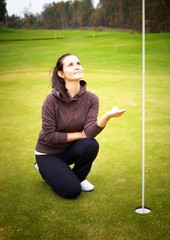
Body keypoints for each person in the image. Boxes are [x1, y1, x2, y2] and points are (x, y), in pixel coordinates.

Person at [34, 53, 126, 199]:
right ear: (61, 73)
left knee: (91, 144)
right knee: (72, 191)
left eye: (78, 63)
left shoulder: (91, 99)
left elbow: (89, 133)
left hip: (68, 151)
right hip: (48, 153)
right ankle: (43, 169)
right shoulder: (51, 100)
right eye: (70, 65)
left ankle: (79, 177)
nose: (76, 66)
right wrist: (79, 135)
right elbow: (49, 136)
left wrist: (107, 116)